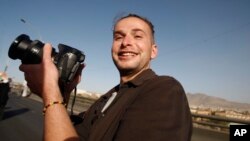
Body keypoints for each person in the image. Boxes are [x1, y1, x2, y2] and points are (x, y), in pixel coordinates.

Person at [19, 13, 192, 141]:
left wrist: (50, 91)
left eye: (138, 36)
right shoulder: (109, 97)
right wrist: (62, 95)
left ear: (153, 51)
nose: (126, 43)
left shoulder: (165, 89)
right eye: (119, 37)